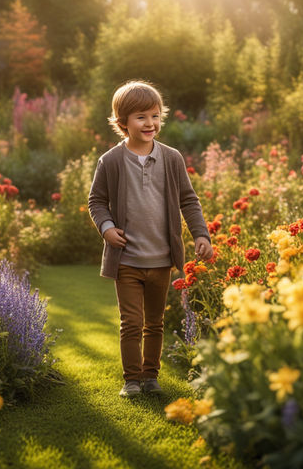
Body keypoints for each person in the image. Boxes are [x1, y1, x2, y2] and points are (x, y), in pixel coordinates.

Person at [88, 80, 212, 398]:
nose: (150, 123)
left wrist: (201, 234)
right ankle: (131, 379)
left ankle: (150, 376)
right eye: (141, 117)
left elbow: (189, 200)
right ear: (123, 123)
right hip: (127, 259)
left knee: (154, 323)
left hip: (161, 259)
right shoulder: (111, 161)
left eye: (155, 115)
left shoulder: (171, 158)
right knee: (131, 322)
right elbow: (97, 201)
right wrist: (106, 227)